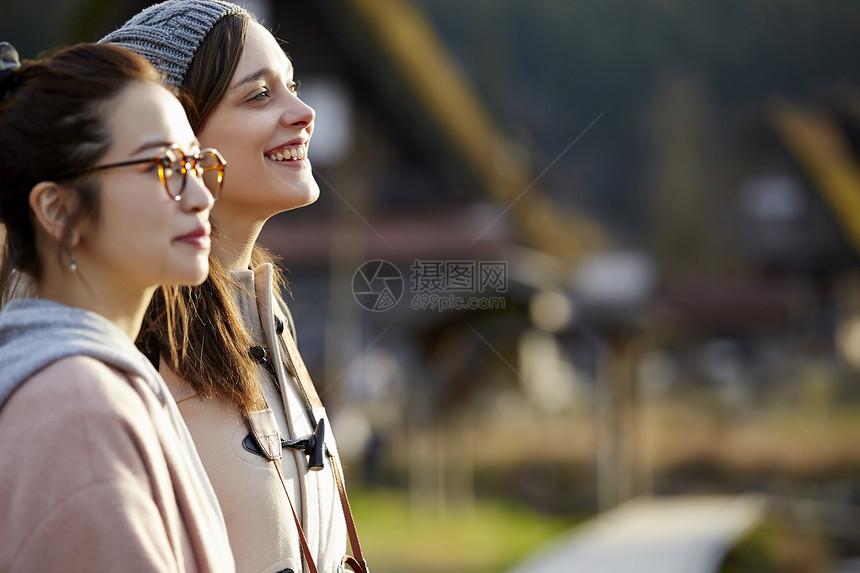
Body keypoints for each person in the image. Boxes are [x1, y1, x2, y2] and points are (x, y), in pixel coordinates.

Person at [101, 3, 366, 572]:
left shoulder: (269, 316)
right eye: (259, 96)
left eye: (291, 86)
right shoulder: (133, 343)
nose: (303, 113)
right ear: (172, 140)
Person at [0, 41, 235, 571]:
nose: (200, 194)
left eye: (198, 163)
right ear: (59, 210)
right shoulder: (77, 404)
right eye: (165, 165)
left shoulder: (75, 382)